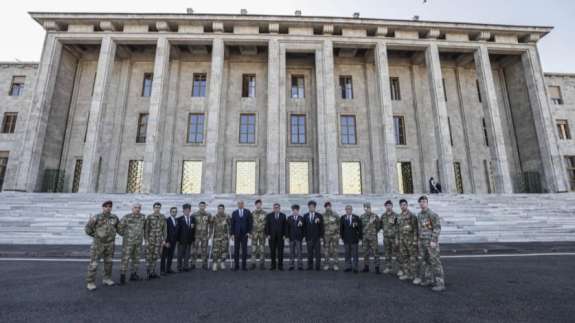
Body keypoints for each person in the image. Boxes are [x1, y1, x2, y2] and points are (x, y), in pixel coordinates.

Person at [84, 200, 119, 291]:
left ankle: (106, 279)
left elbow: (118, 228)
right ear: (102, 207)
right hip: (98, 244)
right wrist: (96, 236)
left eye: (110, 206)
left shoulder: (114, 218)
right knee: (94, 264)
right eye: (106, 206)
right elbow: (88, 229)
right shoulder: (96, 217)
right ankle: (90, 282)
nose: (108, 208)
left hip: (110, 244)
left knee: (108, 262)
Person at [416, 196, 446, 292]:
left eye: (424, 202)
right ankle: (429, 279)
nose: (422, 203)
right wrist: (419, 240)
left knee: (435, 262)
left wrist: (433, 240)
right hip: (422, 242)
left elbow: (437, 227)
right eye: (421, 202)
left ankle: (440, 283)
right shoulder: (419, 215)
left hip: (431, 242)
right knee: (425, 261)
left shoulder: (432, 214)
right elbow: (419, 229)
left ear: (427, 203)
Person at [118, 203, 146, 285]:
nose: (137, 209)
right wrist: (125, 235)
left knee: (136, 259)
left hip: (138, 242)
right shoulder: (127, 217)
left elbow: (144, 228)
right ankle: (122, 277)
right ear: (132, 208)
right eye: (135, 207)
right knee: (125, 259)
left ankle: (133, 275)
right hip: (128, 243)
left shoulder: (143, 217)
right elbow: (119, 227)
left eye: (139, 208)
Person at [144, 202, 167, 280]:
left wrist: (164, 240)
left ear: (160, 208)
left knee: (155, 256)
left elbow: (164, 229)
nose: (157, 209)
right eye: (156, 207)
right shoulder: (149, 217)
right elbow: (146, 229)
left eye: (158, 207)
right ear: (153, 208)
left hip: (158, 240)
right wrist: (146, 240)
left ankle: (152, 272)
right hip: (150, 239)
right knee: (148, 256)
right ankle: (148, 273)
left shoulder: (163, 217)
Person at [397, 199, 419, 282]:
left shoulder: (412, 215)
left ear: (407, 205)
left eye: (404, 205)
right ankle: (407, 274)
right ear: (400, 206)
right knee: (405, 258)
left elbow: (416, 229)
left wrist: (415, 240)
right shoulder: (399, 216)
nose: (403, 206)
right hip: (402, 241)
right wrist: (398, 239)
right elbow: (398, 229)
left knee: (413, 258)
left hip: (410, 241)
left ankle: (416, 276)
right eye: (401, 205)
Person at [230, 200, 253, 271]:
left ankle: (244, 266)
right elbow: (232, 224)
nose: (240, 205)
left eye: (242, 203)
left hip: (244, 234)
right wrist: (232, 234)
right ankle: (236, 266)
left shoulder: (247, 212)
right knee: (236, 250)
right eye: (239, 203)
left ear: (243, 204)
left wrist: (249, 232)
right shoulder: (234, 212)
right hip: (236, 234)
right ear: (237, 205)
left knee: (244, 250)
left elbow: (250, 223)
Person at [360, 202, 381, 274]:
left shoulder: (375, 216)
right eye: (365, 207)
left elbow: (378, 226)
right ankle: (366, 267)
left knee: (375, 253)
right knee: (365, 253)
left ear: (370, 208)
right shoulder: (362, 216)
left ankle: (377, 267)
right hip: (365, 237)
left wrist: (374, 232)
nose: (367, 209)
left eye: (368, 207)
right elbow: (360, 227)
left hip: (373, 237)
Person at [340, 205, 362, 273]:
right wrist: (342, 237)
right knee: (347, 254)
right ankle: (348, 267)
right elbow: (341, 228)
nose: (348, 210)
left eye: (349, 209)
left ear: (352, 210)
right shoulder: (343, 217)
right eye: (347, 209)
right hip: (346, 239)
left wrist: (360, 238)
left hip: (354, 239)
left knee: (355, 254)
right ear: (345, 210)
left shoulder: (356, 217)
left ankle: (355, 267)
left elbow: (360, 228)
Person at [265, 203, 287, 271]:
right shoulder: (269, 216)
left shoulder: (283, 215)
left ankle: (280, 266)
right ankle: (273, 266)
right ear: (273, 208)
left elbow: (285, 227)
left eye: (277, 208)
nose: (276, 209)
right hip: (272, 237)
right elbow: (267, 226)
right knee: (272, 252)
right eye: (275, 207)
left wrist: (285, 235)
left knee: (280, 252)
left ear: (279, 208)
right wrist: (267, 234)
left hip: (281, 237)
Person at [303, 200, 324, 271]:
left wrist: (321, 236)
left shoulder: (319, 216)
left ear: (315, 207)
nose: (311, 208)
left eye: (313, 207)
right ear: (308, 207)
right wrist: (305, 236)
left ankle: (318, 266)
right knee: (309, 253)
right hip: (309, 238)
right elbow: (304, 227)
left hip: (317, 238)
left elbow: (321, 227)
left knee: (318, 253)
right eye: (310, 207)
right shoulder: (305, 216)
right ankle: (310, 266)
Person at [381, 200, 399, 275]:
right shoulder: (383, 216)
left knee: (397, 254)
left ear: (392, 206)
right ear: (385, 206)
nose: (388, 207)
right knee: (387, 253)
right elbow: (381, 225)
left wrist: (397, 238)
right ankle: (388, 267)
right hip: (386, 238)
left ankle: (400, 269)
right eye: (387, 205)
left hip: (394, 237)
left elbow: (398, 227)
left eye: (390, 205)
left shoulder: (396, 215)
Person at [176, 203, 196, 272]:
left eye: (188, 210)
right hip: (181, 240)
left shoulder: (192, 219)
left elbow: (193, 230)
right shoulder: (179, 219)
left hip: (189, 240)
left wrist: (193, 239)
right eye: (185, 210)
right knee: (180, 255)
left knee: (187, 255)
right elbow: (177, 231)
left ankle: (186, 267)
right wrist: (177, 240)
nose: (187, 211)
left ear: (190, 210)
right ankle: (179, 267)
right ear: (183, 211)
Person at [192, 201, 212, 270]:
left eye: (203, 206)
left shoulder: (208, 215)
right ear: (199, 206)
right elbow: (192, 225)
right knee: (194, 250)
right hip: (196, 235)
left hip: (204, 235)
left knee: (204, 250)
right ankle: (193, 264)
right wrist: (192, 235)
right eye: (201, 206)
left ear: (205, 206)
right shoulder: (194, 214)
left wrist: (210, 234)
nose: (202, 207)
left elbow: (211, 225)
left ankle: (204, 264)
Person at [211, 204, 230, 272]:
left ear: (224, 209)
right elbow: (211, 225)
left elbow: (230, 225)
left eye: (222, 209)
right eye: (219, 209)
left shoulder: (227, 216)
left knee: (224, 250)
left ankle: (222, 262)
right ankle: (215, 263)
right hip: (216, 237)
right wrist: (210, 234)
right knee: (215, 251)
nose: (220, 210)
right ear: (217, 209)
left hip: (224, 237)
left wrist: (230, 234)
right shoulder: (214, 217)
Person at [322, 202, 340, 271]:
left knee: (335, 250)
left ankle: (336, 264)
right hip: (326, 235)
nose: (328, 207)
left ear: (331, 206)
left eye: (329, 206)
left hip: (334, 235)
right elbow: (321, 226)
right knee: (326, 250)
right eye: (326, 206)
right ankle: (326, 264)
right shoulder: (323, 215)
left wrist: (338, 233)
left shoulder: (335, 214)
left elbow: (339, 223)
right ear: (325, 207)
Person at [160, 207, 178, 275]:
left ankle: (168, 269)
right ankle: (162, 270)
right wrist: (164, 241)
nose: (174, 212)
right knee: (164, 256)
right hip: (167, 241)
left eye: (175, 211)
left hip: (173, 241)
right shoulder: (167, 220)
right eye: (173, 211)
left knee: (170, 256)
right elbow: (164, 231)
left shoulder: (176, 220)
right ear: (170, 212)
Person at [286, 205, 304, 271]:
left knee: (299, 252)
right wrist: (287, 237)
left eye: (296, 210)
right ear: (292, 210)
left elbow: (303, 229)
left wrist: (303, 237)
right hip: (291, 237)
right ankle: (291, 265)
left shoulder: (301, 218)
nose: (295, 211)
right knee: (291, 252)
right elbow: (287, 228)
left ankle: (300, 265)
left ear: (298, 211)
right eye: (294, 210)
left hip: (299, 238)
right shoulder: (289, 218)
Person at [250, 199, 267, 270]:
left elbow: (267, 224)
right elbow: (250, 223)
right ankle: (253, 264)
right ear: (255, 205)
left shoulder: (265, 213)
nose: (258, 205)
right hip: (254, 233)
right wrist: (250, 233)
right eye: (257, 204)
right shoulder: (252, 213)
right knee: (253, 249)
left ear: (261, 204)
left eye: (259, 204)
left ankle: (262, 264)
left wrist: (267, 233)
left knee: (262, 249)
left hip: (262, 233)